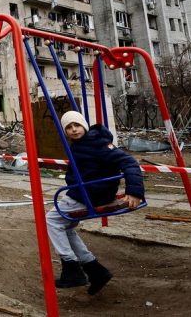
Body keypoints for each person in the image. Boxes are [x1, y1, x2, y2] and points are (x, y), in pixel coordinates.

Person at [47, 111, 145, 295]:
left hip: (90, 195)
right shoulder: (80, 144)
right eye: (69, 127)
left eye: (77, 125)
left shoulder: (97, 143)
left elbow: (129, 162)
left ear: (84, 125)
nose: (74, 129)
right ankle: (95, 270)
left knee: (51, 220)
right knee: (66, 227)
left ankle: (71, 268)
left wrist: (134, 191)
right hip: (87, 191)